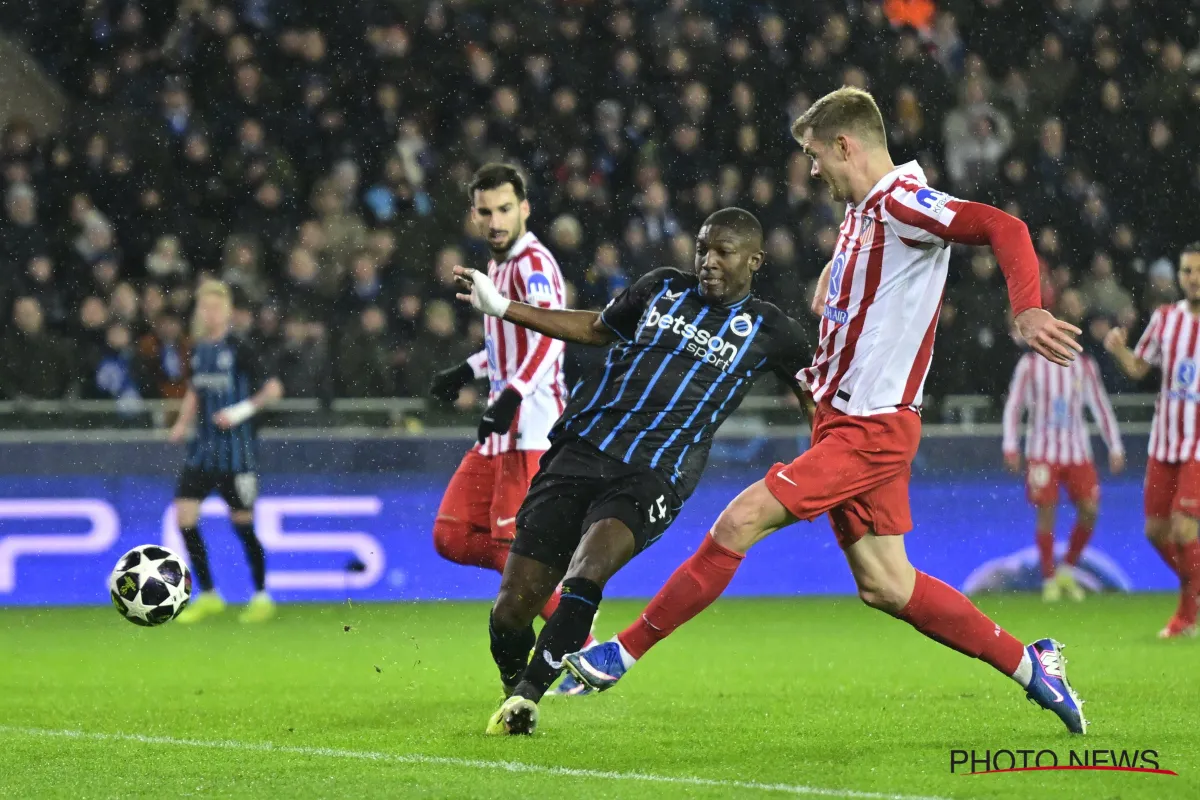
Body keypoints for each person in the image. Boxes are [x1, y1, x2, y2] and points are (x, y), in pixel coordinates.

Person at [564, 87, 1089, 735]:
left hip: (872, 427)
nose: (811, 170)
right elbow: (862, 289)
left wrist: (1027, 307)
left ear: (847, 146)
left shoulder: (902, 201)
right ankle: (1033, 666)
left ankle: (620, 652)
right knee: (886, 584)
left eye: (815, 155)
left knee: (741, 519)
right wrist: (836, 291)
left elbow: (1003, 228)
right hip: (842, 418)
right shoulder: (864, 214)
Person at [456, 206, 812, 735]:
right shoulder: (662, 287)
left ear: (754, 261)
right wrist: (504, 307)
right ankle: (515, 690)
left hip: (654, 471)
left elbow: (817, 397)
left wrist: (832, 468)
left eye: (723, 252)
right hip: (581, 449)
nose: (708, 262)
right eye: (702, 248)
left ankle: (529, 697)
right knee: (509, 612)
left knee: (588, 568)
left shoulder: (773, 330)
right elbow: (597, 328)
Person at [427, 164, 576, 647]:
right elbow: (506, 342)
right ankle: (556, 587)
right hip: (501, 424)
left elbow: (551, 336)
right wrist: (467, 371)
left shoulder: (534, 264)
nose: (496, 221)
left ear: (525, 209)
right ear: (474, 215)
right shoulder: (497, 267)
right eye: (486, 211)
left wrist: (513, 393)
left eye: (505, 209)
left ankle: (577, 642)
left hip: (531, 426)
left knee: (518, 548)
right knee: (451, 534)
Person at [168, 280, 284, 624]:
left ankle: (262, 595)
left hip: (237, 456)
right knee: (184, 517)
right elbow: (195, 391)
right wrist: (180, 423)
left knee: (243, 524)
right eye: (205, 307)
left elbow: (274, 389)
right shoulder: (199, 349)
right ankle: (208, 594)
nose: (210, 312)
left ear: (228, 311)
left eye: (216, 307)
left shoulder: (240, 347)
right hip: (202, 453)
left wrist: (238, 413)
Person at [1103, 242, 1200, 639]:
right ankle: (1195, 590)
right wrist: (1117, 350)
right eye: (1187, 272)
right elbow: (1140, 368)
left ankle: (1186, 616)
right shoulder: (1164, 319)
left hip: (1198, 445)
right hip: (1165, 442)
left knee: (1184, 529)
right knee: (1155, 530)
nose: (1192, 279)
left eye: (1197, 271)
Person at [1002, 327, 1125, 602]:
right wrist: (1010, 444)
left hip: (1078, 451)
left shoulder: (1084, 366)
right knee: (1047, 512)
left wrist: (1114, 444)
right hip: (1042, 451)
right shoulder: (1030, 365)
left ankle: (1067, 569)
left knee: (1090, 510)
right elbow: (1014, 405)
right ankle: (1049, 580)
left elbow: (1099, 405)